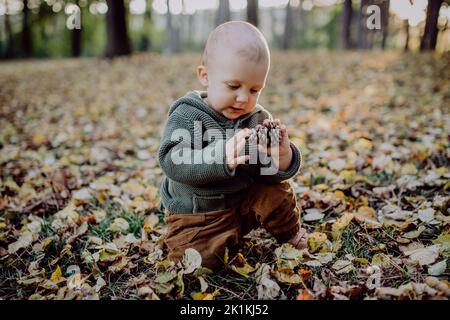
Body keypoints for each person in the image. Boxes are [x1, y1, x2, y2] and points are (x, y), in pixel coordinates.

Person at [158, 21, 308, 270]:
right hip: (200, 212)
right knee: (197, 265)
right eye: (233, 86)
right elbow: (173, 160)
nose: (243, 98)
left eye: (254, 90)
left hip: (244, 202)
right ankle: (213, 242)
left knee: (277, 193)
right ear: (205, 76)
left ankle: (288, 234)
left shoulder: (257, 118)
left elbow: (269, 176)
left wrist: (281, 155)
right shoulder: (188, 114)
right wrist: (221, 156)